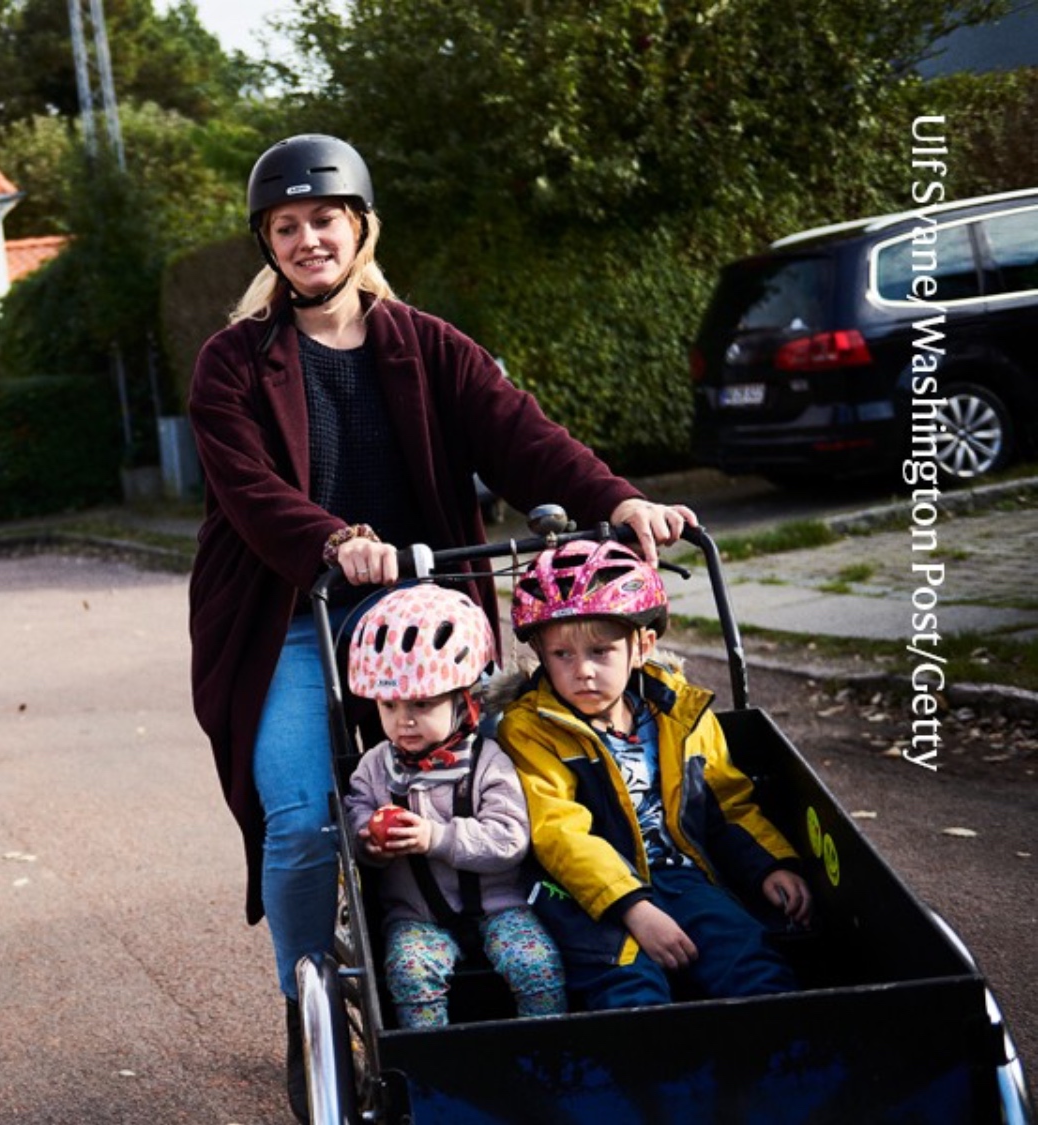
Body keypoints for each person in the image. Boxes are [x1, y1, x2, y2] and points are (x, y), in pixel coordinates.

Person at [186, 132, 697, 1120]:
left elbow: (522, 435)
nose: (307, 240)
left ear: (361, 229)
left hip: (418, 612)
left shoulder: (426, 346)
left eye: (324, 220)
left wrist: (619, 500)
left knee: (495, 780)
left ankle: (512, 955)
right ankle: (308, 1007)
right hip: (287, 611)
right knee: (302, 822)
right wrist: (334, 540)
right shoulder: (233, 361)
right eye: (285, 227)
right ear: (267, 245)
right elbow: (245, 486)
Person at [497, 539, 813, 1011]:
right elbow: (559, 832)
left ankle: (786, 1046)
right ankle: (649, 1050)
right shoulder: (532, 729)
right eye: (562, 655)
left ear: (641, 647)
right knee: (629, 982)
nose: (582, 671)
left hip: (679, 874)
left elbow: (725, 800)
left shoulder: (678, 714)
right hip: (586, 892)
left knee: (749, 957)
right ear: (540, 653)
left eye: (600, 651)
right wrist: (634, 908)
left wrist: (768, 864)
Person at [341, 584, 566, 1028]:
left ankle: (545, 1048)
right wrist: (368, 839)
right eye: (389, 705)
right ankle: (430, 1059)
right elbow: (356, 814)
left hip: (501, 907)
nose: (404, 720)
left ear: (466, 702)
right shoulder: (375, 767)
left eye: (422, 704)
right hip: (416, 918)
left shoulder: (488, 762)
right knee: (409, 972)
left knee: (537, 965)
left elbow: (509, 839)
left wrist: (435, 837)